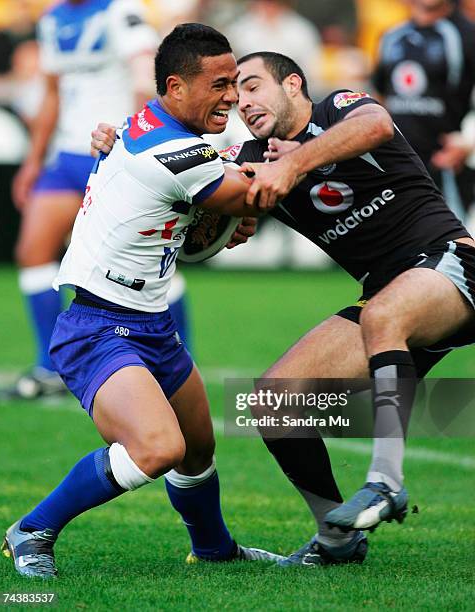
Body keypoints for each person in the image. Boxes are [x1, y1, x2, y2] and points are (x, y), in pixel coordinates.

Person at [92, 48, 475, 567]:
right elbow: (177, 178)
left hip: (450, 264)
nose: (241, 101)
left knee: (385, 317)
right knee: (274, 405)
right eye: (232, 91)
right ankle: (337, 538)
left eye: (251, 86)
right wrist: (116, 147)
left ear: (293, 84)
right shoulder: (252, 160)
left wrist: (293, 162)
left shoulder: (337, 107)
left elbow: (378, 125)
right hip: (384, 289)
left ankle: (385, 481)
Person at [1, 24, 284, 580]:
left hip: (151, 320)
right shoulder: (170, 147)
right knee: (158, 448)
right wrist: (305, 152)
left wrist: (225, 213)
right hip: (97, 326)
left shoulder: (150, 123)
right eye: (220, 84)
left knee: (199, 446)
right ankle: (32, 529)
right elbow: (243, 192)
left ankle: (214, 549)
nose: (231, 96)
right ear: (176, 87)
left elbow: (216, 197)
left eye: (236, 82)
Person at [8, 0, 165, 398]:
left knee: (143, 262)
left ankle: (173, 363)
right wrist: (34, 160)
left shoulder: (121, 9)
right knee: (32, 251)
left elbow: (146, 80)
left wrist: (136, 145)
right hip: (67, 155)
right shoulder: (52, 19)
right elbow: (52, 93)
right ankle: (51, 368)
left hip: (115, 152)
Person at [372, 0, 475, 221]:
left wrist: (469, 142)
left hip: (448, 166)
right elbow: (380, 96)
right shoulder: (390, 37)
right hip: (399, 165)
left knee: (456, 246)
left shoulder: (466, 35)